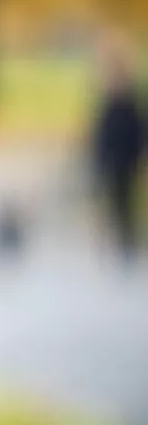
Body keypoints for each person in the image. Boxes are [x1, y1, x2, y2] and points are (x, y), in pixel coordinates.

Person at [91, 36, 144, 260]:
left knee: (126, 202)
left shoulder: (131, 104)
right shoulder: (108, 105)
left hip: (127, 161)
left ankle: (128, 240)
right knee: (114, 201)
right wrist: (99, 156)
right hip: (112, 161)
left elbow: (139, 132)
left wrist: (139, 154)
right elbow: (100, 135)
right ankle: (120, 239)